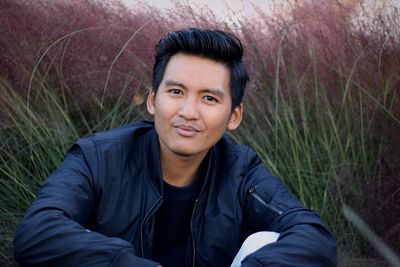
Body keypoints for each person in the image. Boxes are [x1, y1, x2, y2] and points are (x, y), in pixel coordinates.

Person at [13, 28, 336, 267]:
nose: (188, 112)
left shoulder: (241, 172)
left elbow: (313, 236)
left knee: (266, 242)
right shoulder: (98, 157)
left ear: (234, 115)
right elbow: (36, 233)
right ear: (153, 100)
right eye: (177, 92)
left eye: (209, 98)